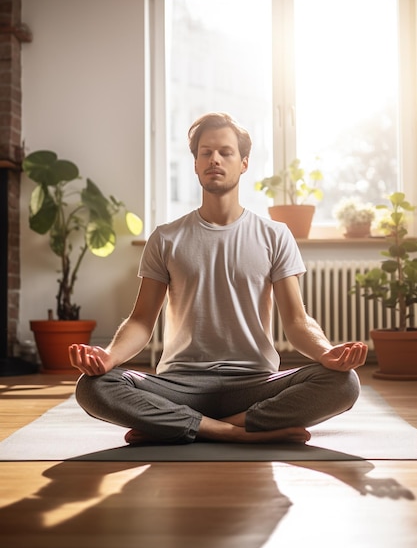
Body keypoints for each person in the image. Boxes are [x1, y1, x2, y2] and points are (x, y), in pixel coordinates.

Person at [69, 112, 367, 446]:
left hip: (256, 383)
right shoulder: (166, 238)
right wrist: (107, 357)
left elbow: (297, 322)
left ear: (243, 163)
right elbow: (140, 321)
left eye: (225, 152)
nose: (215, 159)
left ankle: (189, 426)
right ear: (195, 164)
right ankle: (231, 431)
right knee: (93, 387)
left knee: (345, 383)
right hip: (180, 386)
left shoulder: (275, 235)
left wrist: (327, 353)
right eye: (205, 152)